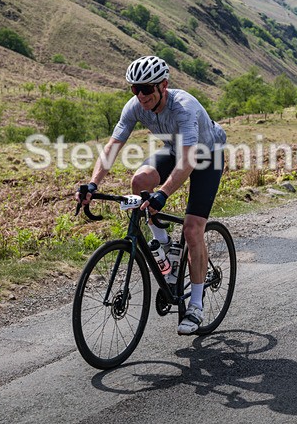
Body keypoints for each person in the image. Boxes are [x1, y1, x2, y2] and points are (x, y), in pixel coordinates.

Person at [77, 55, 227, 335]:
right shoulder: (135, 106)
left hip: (207, 156)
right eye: (135, 89)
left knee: (193, 229)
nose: (141, 95)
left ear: (163, 86)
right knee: (139, 181)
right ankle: (163, 245)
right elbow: (112, 146)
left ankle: (195, 305)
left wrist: (164, 193)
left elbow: (189, 161)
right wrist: (93, 184)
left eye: (147, 88)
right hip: (175, 149)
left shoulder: (183, 108)